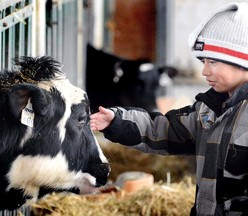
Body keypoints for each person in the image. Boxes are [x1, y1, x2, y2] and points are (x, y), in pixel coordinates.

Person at [90, 2, 248, 215]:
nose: (204, 71)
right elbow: (164, 129)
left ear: (242, 61)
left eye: (213, 62)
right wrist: (117, 121)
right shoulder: (208, 110)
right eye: (203, 61)